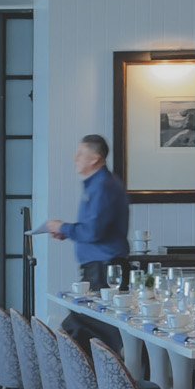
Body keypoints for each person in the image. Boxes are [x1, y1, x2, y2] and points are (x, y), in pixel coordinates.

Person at [35, 134, 128, 352]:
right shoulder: (98, 184)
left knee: (83, 330)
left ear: (95, 158)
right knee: (83, 330)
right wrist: (68, 232)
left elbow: (93, 231)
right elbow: (93, 228)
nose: (75, 158)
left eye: (80, 154)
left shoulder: (103, 186)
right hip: (98, 268)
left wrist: (62, 227)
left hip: (104, 271)